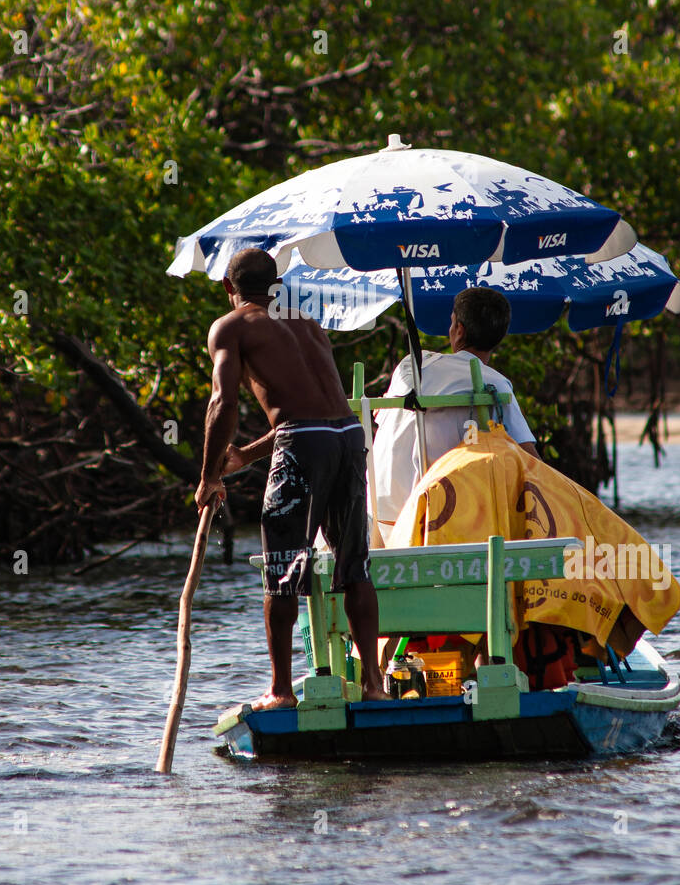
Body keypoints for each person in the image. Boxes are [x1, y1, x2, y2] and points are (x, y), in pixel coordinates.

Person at [194, 247, 388, 709]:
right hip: (347, 438)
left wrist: (207, 477)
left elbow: (221, 404)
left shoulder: (231, 326)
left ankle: (280, 691)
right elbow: (315, 416)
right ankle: (375, 686)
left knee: (280, 569)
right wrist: (242, 456)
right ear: (276, 285)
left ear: (228, 288)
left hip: (308, 443)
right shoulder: (305, 321)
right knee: (354, 565)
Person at [373, 287, 540, 540]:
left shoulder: (411, 366)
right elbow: (533, 463)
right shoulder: (494, 383)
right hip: (441, 518)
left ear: (459, 330)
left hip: (381, 512)